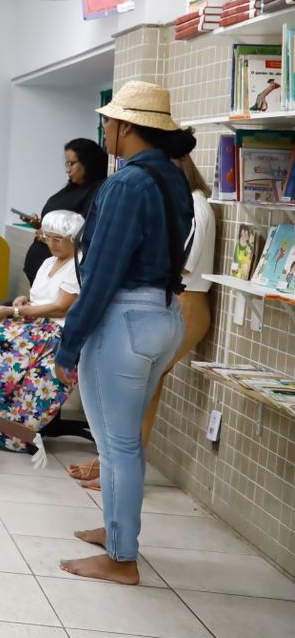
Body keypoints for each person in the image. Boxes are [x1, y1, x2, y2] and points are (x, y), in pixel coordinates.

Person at [54, 83, 195, 586]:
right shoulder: (172, 179)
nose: (105, 130)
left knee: (116, 447)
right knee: (124, 441)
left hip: (124, 321)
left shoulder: (126, 184)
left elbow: (105, 270)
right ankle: (114, 532)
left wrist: (69, 343)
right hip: (164, 317)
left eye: (109, 123)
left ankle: (121, 558)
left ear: (128, 126)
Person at [70, 151, 216, 490]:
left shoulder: (193, 205)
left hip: (186, 304)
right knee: (139, 394)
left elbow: (179, 265)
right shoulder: (186, 201)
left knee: (134, 395)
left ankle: (118, 473)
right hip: (175, 302)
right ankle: (115, 468)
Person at [0, 210, 83, 462]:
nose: (51, 244)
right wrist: (22, 301)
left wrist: (13, 310)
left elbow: (60, 307)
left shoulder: (79, 265)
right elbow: (37, 299)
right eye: (48, 238)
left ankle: (7, 429)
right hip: (34, 326)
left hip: (55, 333)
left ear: (75, 238)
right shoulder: (48, 262)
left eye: (58, 239)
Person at [22, 138, 108, 283]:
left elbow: (82, 232)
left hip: (61, 275)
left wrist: (45, 236)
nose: (67, 170)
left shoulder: (97, 191)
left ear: (88, 162)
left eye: (72, 164)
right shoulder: (71, 188)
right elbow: (63, 224)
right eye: (66, 164)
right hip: (42, 269)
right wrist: (41, 225)